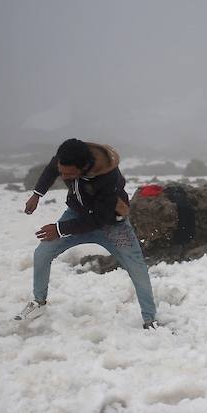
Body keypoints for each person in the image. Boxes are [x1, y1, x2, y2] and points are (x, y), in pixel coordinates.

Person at [15, 138, 160, 329]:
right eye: (62, 171)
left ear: (84, 168)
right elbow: (52, 168)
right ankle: (38, 303)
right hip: (77, 215)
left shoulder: (108, 177)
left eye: (70, 174)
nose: (64, 176)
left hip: (111, 224)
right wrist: (37, 194)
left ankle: (150, 320)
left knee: (137, 268)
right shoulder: (66, 158)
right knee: (42, 253)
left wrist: (59, 229)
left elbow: (99, 219)